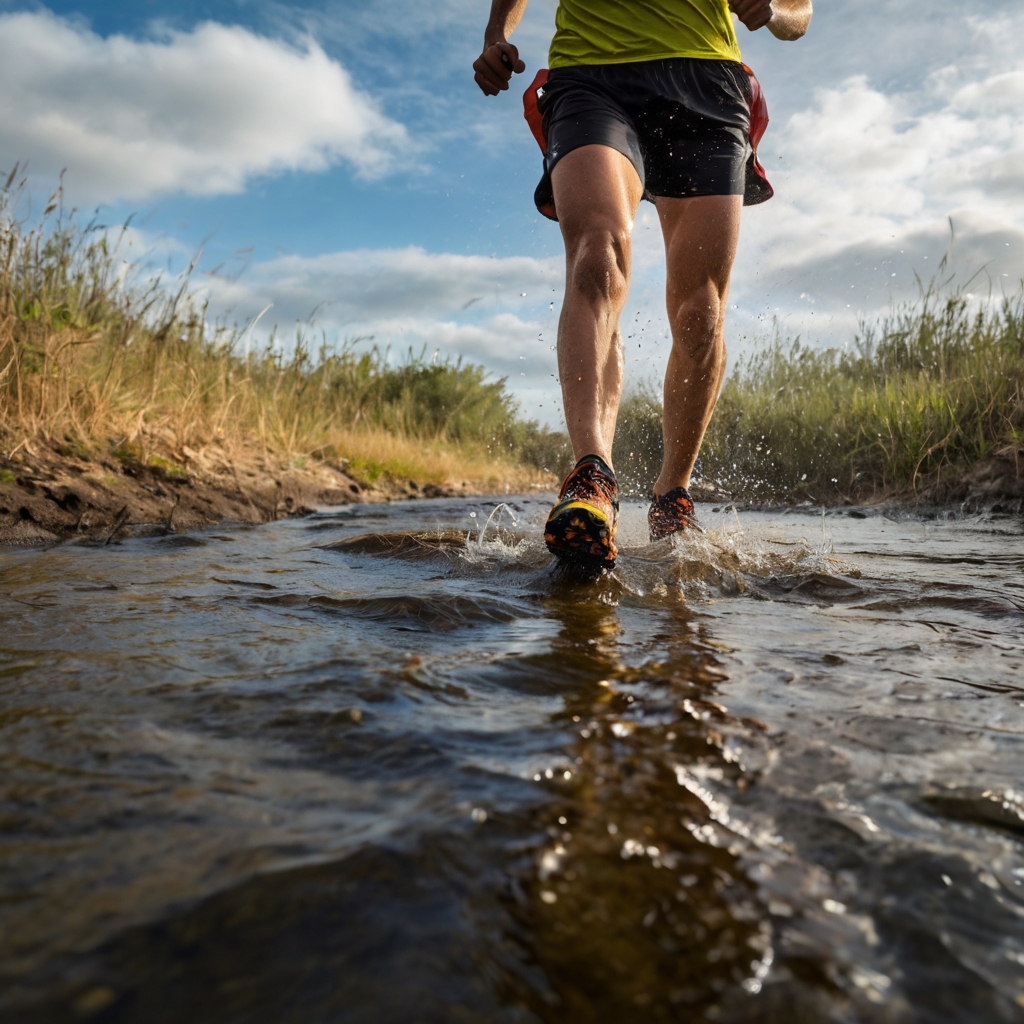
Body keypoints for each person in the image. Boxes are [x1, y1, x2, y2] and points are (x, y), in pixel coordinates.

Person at [473, 0, 812, 569]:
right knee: (597, 257)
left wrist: (775, 11)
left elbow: (800, 13)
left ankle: (671, 495)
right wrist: (495, 34)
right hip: (591, 74)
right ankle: (591, 478)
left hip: (706, 78)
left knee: (701, 311)